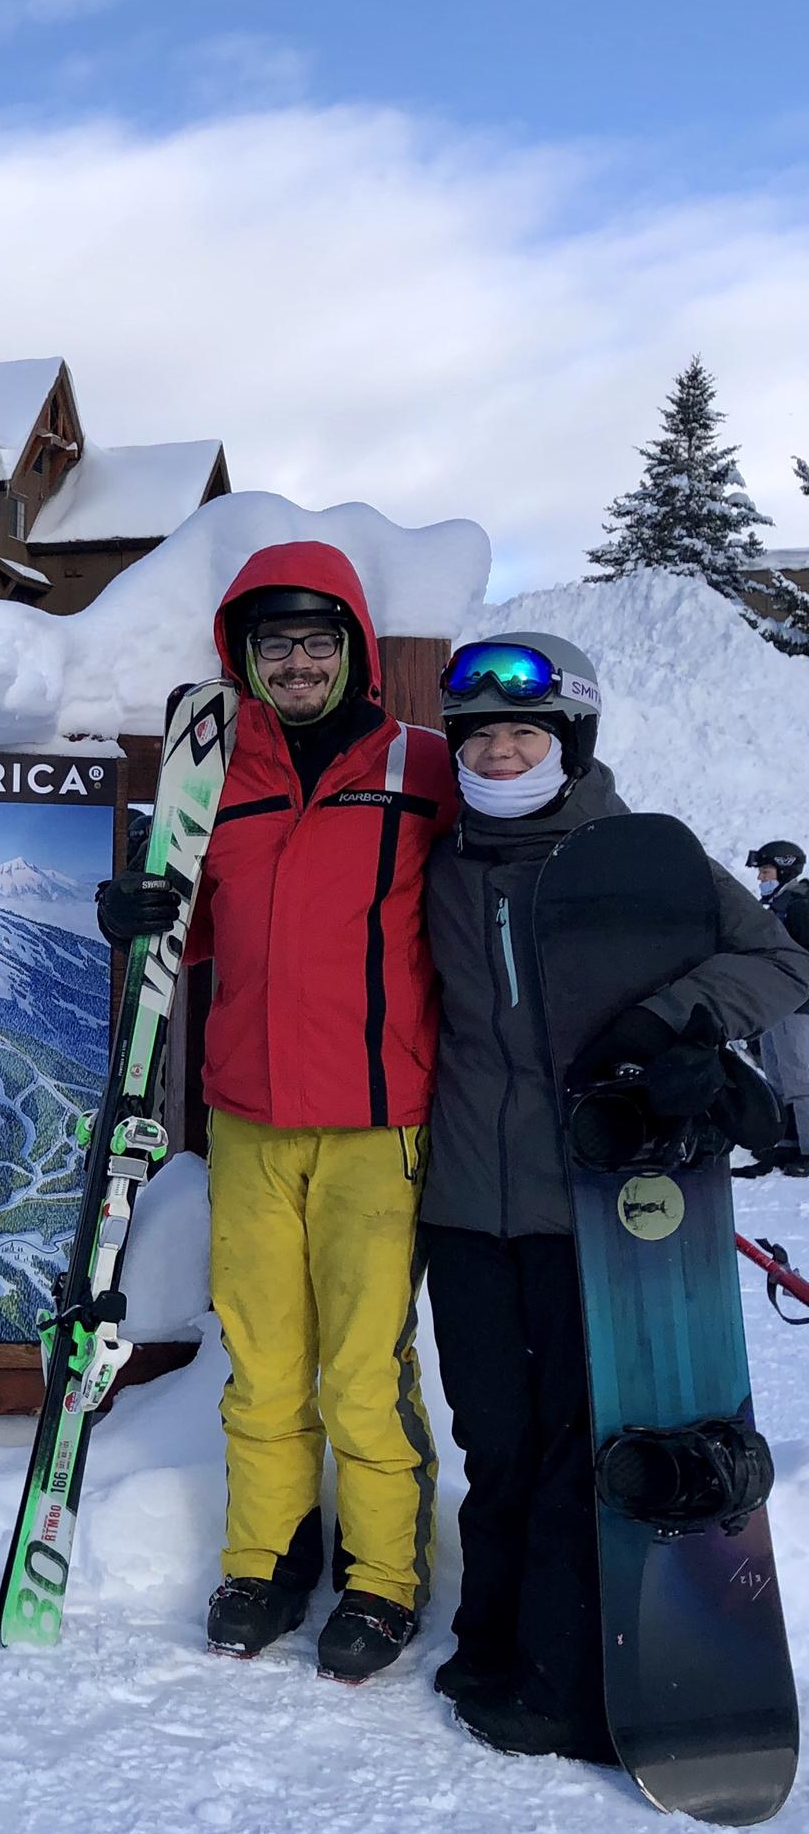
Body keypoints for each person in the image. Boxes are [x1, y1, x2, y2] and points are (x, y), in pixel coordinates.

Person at [420, 636, 809, 1761]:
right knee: (491, 1433)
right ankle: (490, 1635)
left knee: (569, 1441)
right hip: (461, 1199)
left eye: (524, 732)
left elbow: (779, 961)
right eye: (480, 735)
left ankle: (569, 1673)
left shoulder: (639, 858)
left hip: (595, 1200)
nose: (499, 750)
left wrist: (673, 1024)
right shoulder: (439, 858)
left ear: (569, 740)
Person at [98, 542, 454, 1682]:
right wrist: (142, 905)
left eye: (315, 640)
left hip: (375, 1115)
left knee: (361, 1367)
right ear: (240, 657)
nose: (295, 662)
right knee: (259, 1363)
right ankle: (264, 1559)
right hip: (246, 1116)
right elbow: (186, 938)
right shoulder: (214, 783)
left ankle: (382, 1576)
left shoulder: (421, 766)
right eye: (272, 643)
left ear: (351, 647)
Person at [741, 839, 809, 1175]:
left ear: (784, 869)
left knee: (801, 1078)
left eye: (765, 871)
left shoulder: (800, 906)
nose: (761, 879)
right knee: (777, 1076)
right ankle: (786, 1144)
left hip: (799, 1005)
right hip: (774, 1002)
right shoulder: (776, 905)